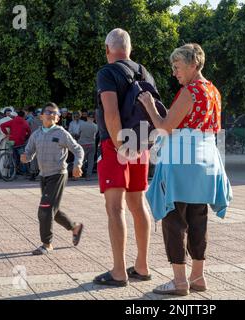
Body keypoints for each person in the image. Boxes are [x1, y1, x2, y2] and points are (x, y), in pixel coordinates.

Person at [138, 43, 232, 296]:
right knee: (198, 217)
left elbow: (164, 128)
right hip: (208, 160)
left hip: (182, 161)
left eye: (177, 67)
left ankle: (180, 282)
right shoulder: (213, 91)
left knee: (174, 218)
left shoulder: (189, 91)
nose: (174, 72)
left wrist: (148, 105)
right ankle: (198, 278)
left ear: (193, 65)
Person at [93, 28, 153, 287]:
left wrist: (120, 146)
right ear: (130, 49)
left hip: (116, 145)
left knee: (114, 207)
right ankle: (142, 265)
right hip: (141, 144)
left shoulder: (107, 73)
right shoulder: (144, 72)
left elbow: (111, 113)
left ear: (108, 49)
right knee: (138, 204)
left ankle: (119, 272)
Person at [21, 102, 84, 255]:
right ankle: (74, 227)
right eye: (49, 112)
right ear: (41, 116)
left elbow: (78, 149)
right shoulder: (36, 134)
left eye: (55, 113)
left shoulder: (61, 133)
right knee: (52, 210)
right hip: (44, 176)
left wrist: (77, 165)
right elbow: (29, 153)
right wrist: (25, 158)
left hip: (58, 174)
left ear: (58, 118)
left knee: (44, 210)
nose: (52, 115)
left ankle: (46, 244)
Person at [0, 109, 16, 175]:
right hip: (7, 140)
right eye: (8, 113)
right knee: (7, 155)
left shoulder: (1, 120)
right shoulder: (11, 121)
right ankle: (5, 173)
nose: (9, 114)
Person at [78, 112, 98, 180]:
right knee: (90, 161)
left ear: (87, 117)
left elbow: (79, 133)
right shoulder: (95, 126)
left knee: (81, 159)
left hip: (82, 144)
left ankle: (80, 174)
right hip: (92, 144)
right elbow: (95, 135)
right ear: (93, 118)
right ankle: (88, 176)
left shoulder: (82, 124)